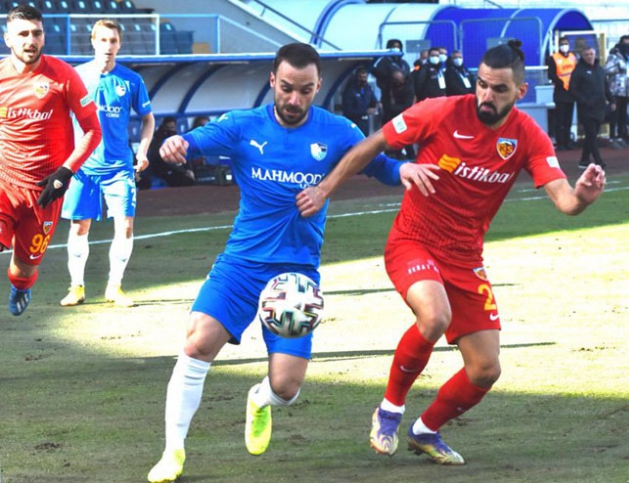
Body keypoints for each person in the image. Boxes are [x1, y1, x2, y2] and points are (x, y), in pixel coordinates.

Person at [296, 39, 605, 465]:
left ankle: (425, 430)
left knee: (485, 370)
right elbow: (371, 146)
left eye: (498, 89)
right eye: (481, 84)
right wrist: (325, 188)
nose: (486, 95)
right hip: (413, 240)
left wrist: (584, 196)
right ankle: (389, 409)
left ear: (521, 92)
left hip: (465, 258)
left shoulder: (528, 137)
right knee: (435, 315)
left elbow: (565, 201)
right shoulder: (440, 111)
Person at [146, 42, 433, 483]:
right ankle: (172, 453)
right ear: (272, 82)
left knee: (286, 387)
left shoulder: (338, 131)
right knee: (197, 342)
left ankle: (259, 400)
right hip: (241, 264)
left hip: (296, 276)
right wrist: (176, 143)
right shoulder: (244, 126)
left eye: (304, 90)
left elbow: (378, 165)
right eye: (286, 89)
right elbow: (194, 141)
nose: (294, 100)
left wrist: (403, 172)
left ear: (317, 86)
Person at [0, 4, 102, 316]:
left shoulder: (63, 76)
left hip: (45, 191)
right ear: (8, 39)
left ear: (44, 37)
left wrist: (65, 172)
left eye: (37, 33)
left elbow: (92, 130)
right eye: (23, 34)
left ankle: (21, 286)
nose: (30, 40)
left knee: (24, 268)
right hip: (4, 184)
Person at [59, 19, 155, 308]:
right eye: (103, 40)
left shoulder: (131, 80)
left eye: (113, 41)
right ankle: (76, 287)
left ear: (120, 44)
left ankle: (115, 286)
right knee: (79, 227)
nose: (108, 46)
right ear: (93, 42)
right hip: (83, 167)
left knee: (125, 225)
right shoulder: (76, 77)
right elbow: (61, 119)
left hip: (119, 167)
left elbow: (148, 118)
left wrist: (143, 150)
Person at [570, 46, 610, 169]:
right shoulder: (578, 71)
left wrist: (611, 100)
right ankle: (598, 160)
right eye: (586, 54)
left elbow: (606, 87)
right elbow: (572, 89)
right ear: (583, 56)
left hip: (599, 108)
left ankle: (584, 160)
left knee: (591, 135)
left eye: (591, 54)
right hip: (586, 109)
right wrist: (583, 101)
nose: (589, 56)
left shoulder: (600, 70)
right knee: (592, 134)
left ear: (595, 54)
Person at [546, 36, 578, 150]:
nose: (565, 46)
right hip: (560, 91)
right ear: (559, 45)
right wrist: (560, 83)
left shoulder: (573, 57)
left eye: (566, 43)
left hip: (571, 91)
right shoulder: (553, 58)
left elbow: (576, 72)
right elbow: (551, 74)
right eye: (562, 44)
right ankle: (560, 143)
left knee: (568, 119)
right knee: (560, 119)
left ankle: (568, 141)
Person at [148, 117, 196, 187]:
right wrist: (181, 171)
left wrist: (188, 169)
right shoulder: (156, 141)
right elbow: (157, 159)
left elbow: (185, 156)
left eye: (172, 127)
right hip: (162, 170)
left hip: (177, 170)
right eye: (167, 127)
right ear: (162, 127)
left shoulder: (178, 139)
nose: (169, 130)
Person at [381, 69, 416, 160]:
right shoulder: (389, 89)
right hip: (389, 118)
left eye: (399, 80)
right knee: (390, 141)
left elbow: (406, 106)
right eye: (395, 80)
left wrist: (392, 107)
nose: (397, 83)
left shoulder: (408, 90)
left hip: (403, 119)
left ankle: (411, 158)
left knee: (407, 141)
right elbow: (385, 103)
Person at [605, 38, 629, 146]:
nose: (627, 45)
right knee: (615, 113)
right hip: (616, 88)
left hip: (626, 89)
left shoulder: (628, 56)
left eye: (628, 43)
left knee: (623, 113)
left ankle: (622, 134)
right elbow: (606, 69)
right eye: (624, 43)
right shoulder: (614, 56)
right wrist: (617, 69)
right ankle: (613, 135)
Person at [342, 66, 379, 136]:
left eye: (365, 77)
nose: (363, 80)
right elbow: (347, 111)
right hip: (354, 123)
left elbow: (373, 101)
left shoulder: (368, 89)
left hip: (365, 123)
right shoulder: (350, 91)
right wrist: (365, 111)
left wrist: (377, 104)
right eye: (360, 77)